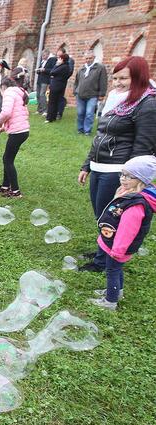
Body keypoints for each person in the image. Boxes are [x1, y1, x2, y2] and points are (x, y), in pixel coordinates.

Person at [77, 56, 156, 272]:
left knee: (113, 216)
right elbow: (101, 134)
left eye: (124, 78)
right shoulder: (120, 100)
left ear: (138, 77)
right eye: (115, 78)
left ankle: (102, 261)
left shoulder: (148, 104)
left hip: (117, 171)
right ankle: (102, 249)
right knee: (102, 214)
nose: (118, 83)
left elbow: (144, 146)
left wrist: (130, 181)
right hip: (99, 166)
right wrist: (87, 165)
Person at [89, 156, 156, 310]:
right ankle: (117, 292)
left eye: (129, 176)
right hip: (113, 242)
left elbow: (127, 230)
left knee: (112, 270)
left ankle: (110, 302)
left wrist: (117, 250)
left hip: (118, 247)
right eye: (122, 174)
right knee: (116, 269)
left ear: (141, 179)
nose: (123, 179)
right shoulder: (128, 193)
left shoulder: (136, 204)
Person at [0, 77, 30, 198]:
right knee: (7, 158)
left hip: (18, 132)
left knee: (8, 160)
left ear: (3, 87)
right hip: (22, 131)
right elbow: (15, 116)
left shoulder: (8, 92)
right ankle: (5, 186)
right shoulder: (18, 93)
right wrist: (2, 128)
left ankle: (15, 191)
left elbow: (6, 113)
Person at [73, 50, 107, 135]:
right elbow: (76, 81)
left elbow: (103, 81)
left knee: (89, 113)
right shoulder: (81, 68)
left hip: (92, 95)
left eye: (90, 58)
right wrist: (75, 91)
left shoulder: (100, 68)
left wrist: (102, 94)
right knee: (80, 113)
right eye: (86, 58)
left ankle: (87, 130)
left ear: (94, 57)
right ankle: (80, 129)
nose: (88, 60)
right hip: (80, 94)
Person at [45, 53, 72, 123]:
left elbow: (52, 72)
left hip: (56, 86)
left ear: (62, 59)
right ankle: (53, 117)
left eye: (59, 58)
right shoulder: (67, 67)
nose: (57, 60)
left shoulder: (62, 66)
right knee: (57, 102)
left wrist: (56, 65)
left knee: (52, 102)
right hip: (61, 86)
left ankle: (49, 118)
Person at [34, 50, 55, 116]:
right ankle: (39, 109)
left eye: (44, 55)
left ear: (48, 54)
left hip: (45, 80)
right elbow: (40, 70)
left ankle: (45, 110)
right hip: (39, 80)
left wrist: (44, 70)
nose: (43, 57)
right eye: (42, 55)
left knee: (42, 94)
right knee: (38, 95)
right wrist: (38, 70)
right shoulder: (42, 61)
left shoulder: (51, 60)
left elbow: (52, 70)